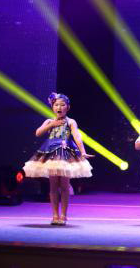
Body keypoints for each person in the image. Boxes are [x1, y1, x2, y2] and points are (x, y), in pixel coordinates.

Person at [23, 92, 93, 225]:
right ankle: (55, 215)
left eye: (62, 105)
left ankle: (64, 215)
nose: (59, 107)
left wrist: (83, 152)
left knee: (65, 185)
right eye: (56, 105)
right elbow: (38, 133)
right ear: (52, 107)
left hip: (65, 154)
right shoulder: (49, 121)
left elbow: (77, 136)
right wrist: (51, 125)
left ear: (68, 107)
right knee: (53, 185)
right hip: (51, 154)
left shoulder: (71, 121)